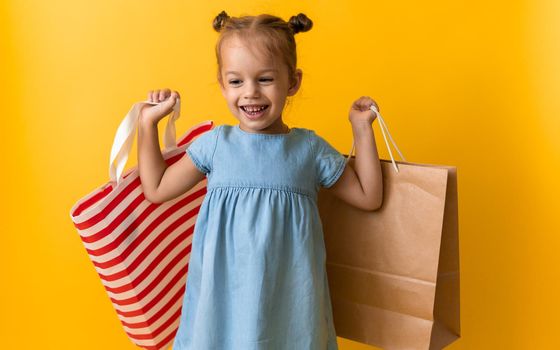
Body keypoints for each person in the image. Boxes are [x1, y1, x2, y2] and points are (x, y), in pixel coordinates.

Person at [137, 11, 383, 350]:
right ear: (222, 84)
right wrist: (147, 125)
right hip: (223, 303)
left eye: (265, 79)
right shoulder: (215, 145)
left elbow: (369, 196)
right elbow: (157, 187)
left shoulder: (309, 150)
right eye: (236, 81)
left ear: (292, 82)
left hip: (290, 304)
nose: (250, 93)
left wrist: (361, 129)